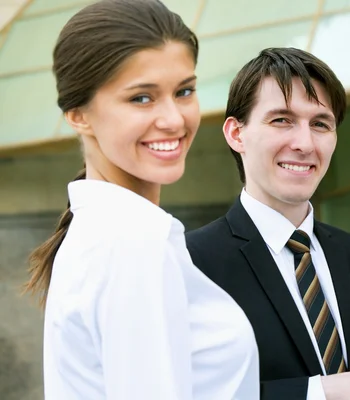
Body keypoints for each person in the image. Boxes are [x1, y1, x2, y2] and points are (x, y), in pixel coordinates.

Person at [23, 1, 259, 398]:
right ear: (78, 114)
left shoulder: (106, 231)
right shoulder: (132, 241)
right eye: (141, 98)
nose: (174, 119)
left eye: (184, 91)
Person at [185, 47, 350, 400]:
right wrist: (319, 392)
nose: (304, 143)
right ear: (236, 134)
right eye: (281, 120)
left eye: (320, 124)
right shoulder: (190, 263)